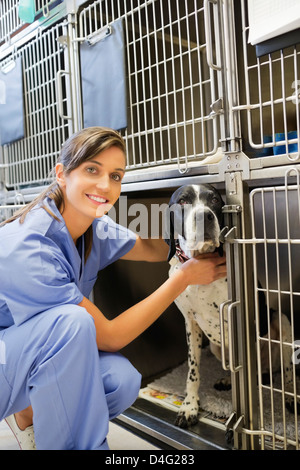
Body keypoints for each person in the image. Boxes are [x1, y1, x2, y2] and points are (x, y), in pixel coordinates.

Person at [0, 127, 226, 450]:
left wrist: (188, 235)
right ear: (61, 174)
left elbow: (149, 248)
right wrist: (183, 277)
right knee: (74, 325)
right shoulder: (31, 245)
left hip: (32, 355)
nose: (106, 186)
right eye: (92, 169)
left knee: (122, 381)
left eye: (116, 176)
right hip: (6, 360)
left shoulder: (93, 226)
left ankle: (28, 415)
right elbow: (109, 336)